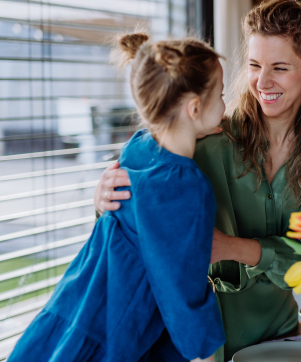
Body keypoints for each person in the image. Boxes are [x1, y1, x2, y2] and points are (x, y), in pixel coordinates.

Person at [94, 0, 301, 362]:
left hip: (278, 338)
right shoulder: (207, 138)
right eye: (254, 65)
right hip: (196, 347)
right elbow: (137, 222)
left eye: (279, 67)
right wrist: (102, 200)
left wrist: (231, 247)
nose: (263, 82)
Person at [9, 33, 227, 362]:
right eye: (221, 95)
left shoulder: (139, 147)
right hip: (116, 326)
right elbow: (181, 289)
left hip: (82, 300)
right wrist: (206, 356)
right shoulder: (185, 187)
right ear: (194, 108)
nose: (226, 105)